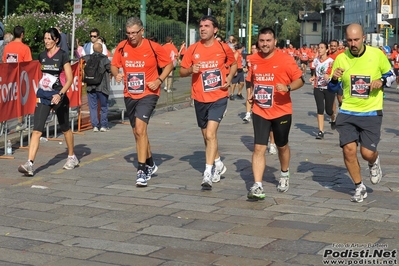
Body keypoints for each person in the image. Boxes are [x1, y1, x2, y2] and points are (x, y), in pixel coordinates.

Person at [327, 23, 392, 203]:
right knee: (348, 150)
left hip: (371, 111)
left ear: (364, 38)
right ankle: (359, 186)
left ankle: (374, 161)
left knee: (366, 153)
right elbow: (332, 88)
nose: (353, 43)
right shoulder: (341, 58)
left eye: (356, 39)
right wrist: (333, 78)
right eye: (349, 40)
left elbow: (392, 75)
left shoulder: (377, 55)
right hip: (348, 110)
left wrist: (382, 81)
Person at [111, 17, 174, 187]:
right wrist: (116, 73)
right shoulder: (122, 46)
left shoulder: (153, 47)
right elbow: (114, 65)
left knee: (140, 128)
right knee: (138, 133)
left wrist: (159, 80)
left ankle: (141, 170)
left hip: (149, 93)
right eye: (128, 33)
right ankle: (151, 163)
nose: (131, 36)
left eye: (134, 33)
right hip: (130, 94)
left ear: (142, 31)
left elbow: (169, 64)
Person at [179, 15, 237, 189]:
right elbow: (181, 71)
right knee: (206, 136)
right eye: (201, 26)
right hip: (200, 98)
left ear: (215, 29)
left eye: (207, 26)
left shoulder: (223, 48)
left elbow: (233, 64)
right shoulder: (193, 49)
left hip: (219, 96)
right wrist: (190, 69)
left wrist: (230, 78)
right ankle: (218, 163)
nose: (202, 29)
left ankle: (207, 174)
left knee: (211, 134)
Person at [246, 27, 304, 199]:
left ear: (274, 41)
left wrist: (287, 87)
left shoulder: (285, 59)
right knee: (258, 147)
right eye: (262, 41)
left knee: (282, 145)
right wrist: (251, 94)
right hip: (260, 110)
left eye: (268, 40)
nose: (264, 44)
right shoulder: (253, 59)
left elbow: (300, 80)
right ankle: (257, 185)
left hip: (281, 111)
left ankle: (284, 173)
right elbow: (252, 80)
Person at [18, 28, 79, 176]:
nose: (46, 41)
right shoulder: (42, 56)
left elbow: (70, 79)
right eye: (45, 38)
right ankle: (30, 163)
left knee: (65, 128)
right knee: (37, 129)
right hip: (44, 96)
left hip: (59, 96)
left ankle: (72, 156)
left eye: (49, 39)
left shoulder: (63, 55)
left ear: (56, 40)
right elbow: (43, 74)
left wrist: (60, 94)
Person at [2, 25, 33, 132]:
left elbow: (4, 61)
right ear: (22, 34)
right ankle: (20, 123)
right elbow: (28, 65)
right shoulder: (25, 48)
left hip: (8, 78)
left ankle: (3, 124)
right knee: (20, 100)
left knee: (6, 100)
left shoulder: (7, 47)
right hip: (20, 78)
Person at [309, 42, 336, 140]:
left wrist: (330, 76)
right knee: (320, 109)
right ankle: (321, 131)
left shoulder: (331, 61)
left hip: (328, 88)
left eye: (321, 48)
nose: (319, 50)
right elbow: (315, 72)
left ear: (327, 49)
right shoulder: (316, 60)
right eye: (318, 48)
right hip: (318, 87)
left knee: (328, 110)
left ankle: (333, 118)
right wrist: (313, 77)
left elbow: (336, 74)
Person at [82, 42, 111, 132]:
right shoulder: (104, 59)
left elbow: (80, 65)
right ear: (101, 49)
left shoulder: (87, 58)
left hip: (90, 86)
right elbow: (111, 69)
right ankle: (103, 125)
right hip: (102, 87)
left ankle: (94, 125)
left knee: (92, 107)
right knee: (103, 106)